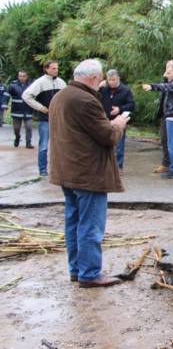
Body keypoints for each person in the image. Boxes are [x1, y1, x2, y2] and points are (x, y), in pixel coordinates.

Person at [49, 59, 129, 287]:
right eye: (100, 78)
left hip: (67, 172)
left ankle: (77, 270)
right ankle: (90, 273)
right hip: (88, 174)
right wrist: (118, 124)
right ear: (93, 78)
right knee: (90, 226)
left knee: (74, 223)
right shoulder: (85, 100)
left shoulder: (61, 96)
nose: (102, 82)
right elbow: (108, 136)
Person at [142, 61, 173, 179]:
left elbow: (166, 86)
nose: (165, 75)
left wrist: (151, 86)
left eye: (168, 73)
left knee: (172, 144)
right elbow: (169, 82)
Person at [22, 60, 67, 176]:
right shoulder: (40, 82)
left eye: (57, 68)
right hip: (45, 119)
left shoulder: (61, 82)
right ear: (46, 69)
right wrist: (41, 107)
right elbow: (26, 95)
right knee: (43, 145)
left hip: (59, 118)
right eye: (53, 68)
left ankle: (59, 169)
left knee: (61, 145)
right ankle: (42, 170)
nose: (56, 70)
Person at [99, 69, 135, 169]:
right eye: (109, 80)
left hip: (119, 121)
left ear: (118, 78)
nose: (111, 82)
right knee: (104, 144)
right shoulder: (103, 89)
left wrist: (120, 109)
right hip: (105, 120)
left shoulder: (126, 90)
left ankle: (118, 167)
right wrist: (98, 87)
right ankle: (105, 166)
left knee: (119, 145)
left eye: (114, 80)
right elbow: (93, 98)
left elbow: (131, 105)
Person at [8, 71, 34, 148]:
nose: (22, 77)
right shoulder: (13, 85)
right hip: (16, 111)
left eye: (23, 76)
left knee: (29, 127)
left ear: (27, 77)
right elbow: (7, 95)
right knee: (16, 128)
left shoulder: (31, 85)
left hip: (28, 110)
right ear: (18, 76)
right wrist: (4, 105)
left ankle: (28, 143)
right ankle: (17, 137)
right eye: (20, 76)